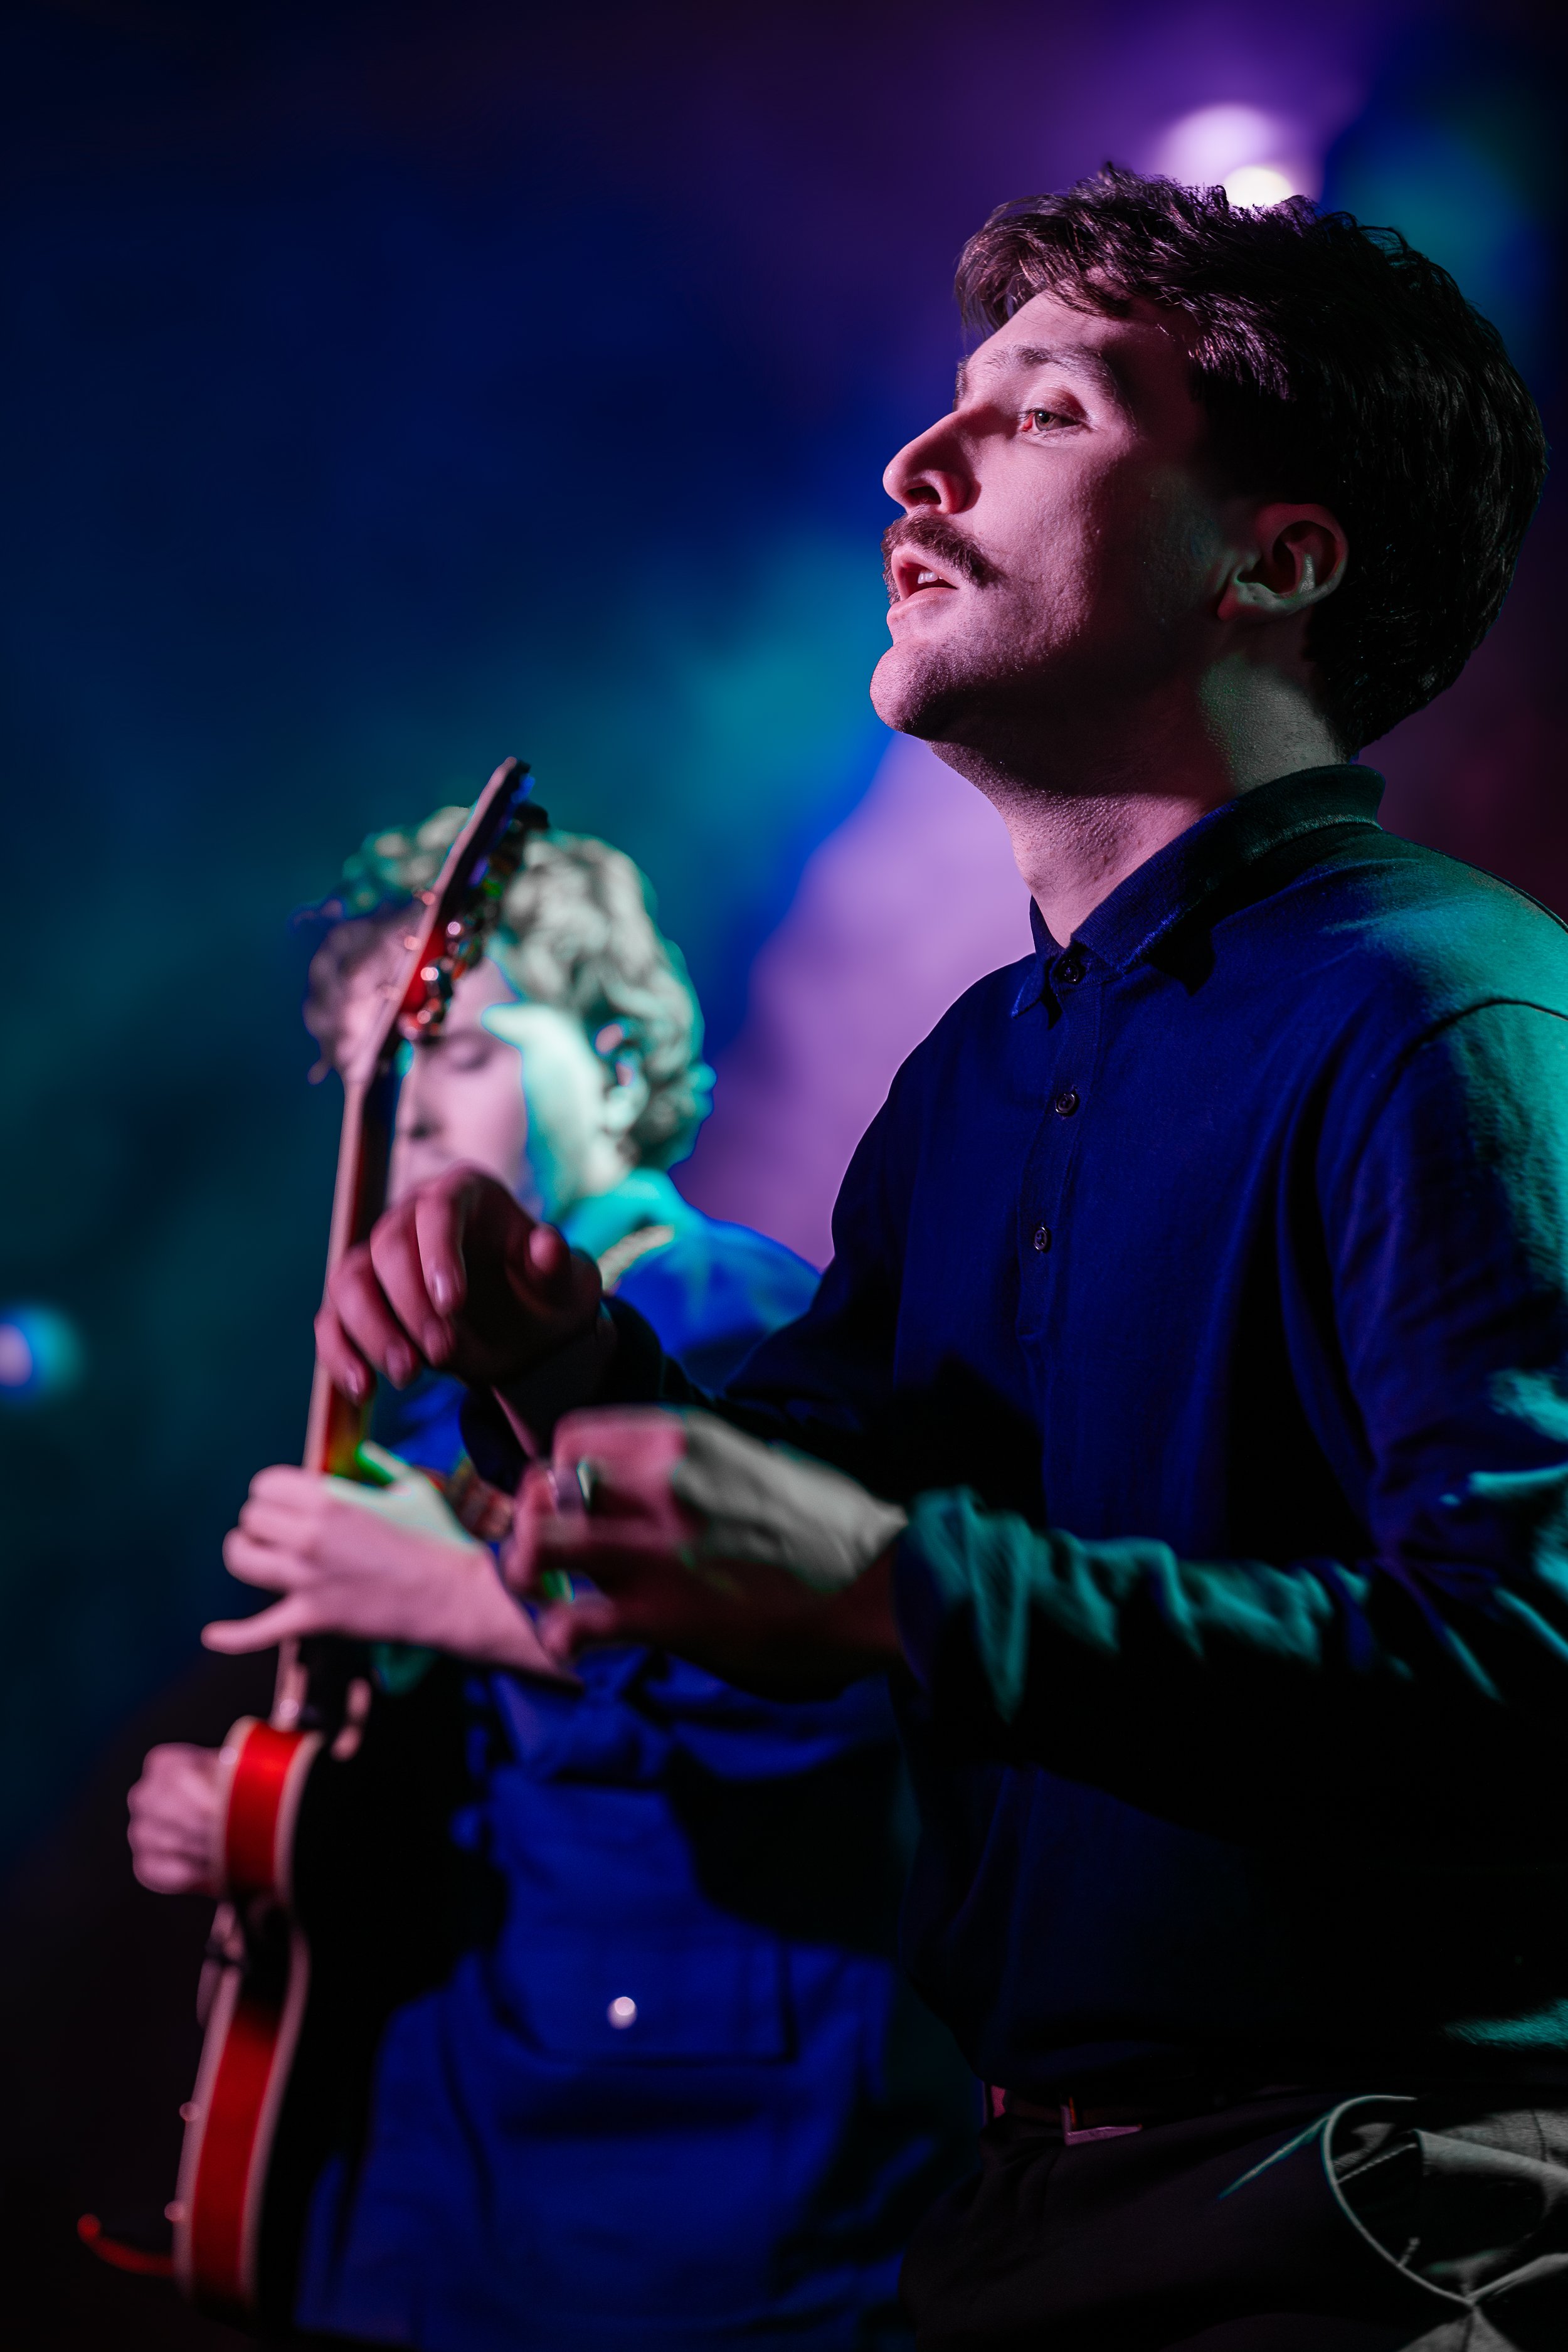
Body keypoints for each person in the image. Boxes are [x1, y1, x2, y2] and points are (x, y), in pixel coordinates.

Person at [272, 168, 1568, 2349]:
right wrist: (563, 1354)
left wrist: (894, 1580)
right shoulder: (975, 1071)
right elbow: (768, 1592)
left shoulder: (1443, 1014)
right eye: (953, 402)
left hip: (1367, 2217)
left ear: (1281, 555)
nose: (918, 458)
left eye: (1051, 411)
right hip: (1021, 2203)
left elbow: (1529, 1683)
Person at [129, 816, 975, 2351]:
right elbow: (469, 1780)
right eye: (378, 1080)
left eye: (455, 1050)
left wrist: (445, 1592)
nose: (409, 1114)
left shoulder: (731, 1317)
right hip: (467, 2146)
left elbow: (843, 1690)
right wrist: (265, 1815)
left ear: (608, 1051)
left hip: (698, 2172)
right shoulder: (431, 1397)